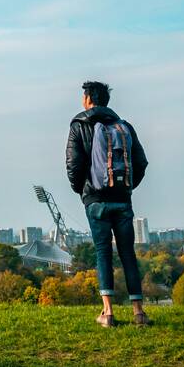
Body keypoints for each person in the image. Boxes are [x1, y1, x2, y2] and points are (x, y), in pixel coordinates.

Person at [65, 80, 150, 328]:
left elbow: (73, 166)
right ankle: (139, 313)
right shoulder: (124, 126)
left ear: (89, 99)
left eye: (83, 96)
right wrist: (126, 188)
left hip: (96, 200)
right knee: (127, 255)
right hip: (122, 200)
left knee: (103, 253)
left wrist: (84, 191)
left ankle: (108, 312)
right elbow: (141, 163)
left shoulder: (79, 125)